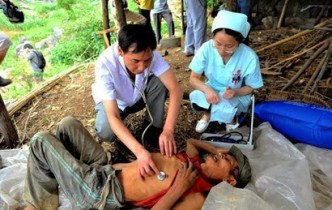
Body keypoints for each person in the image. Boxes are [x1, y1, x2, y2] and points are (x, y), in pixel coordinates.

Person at [23, 116, 251, 210]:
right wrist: (215, 148)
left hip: (99, 192)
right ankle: (62, 171)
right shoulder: (192, 164)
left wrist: (179, 187)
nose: (221, 156)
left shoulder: (197, 194)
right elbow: (192, 141)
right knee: (67, 124)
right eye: (224, 154)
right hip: (105, 167)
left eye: (227, 160)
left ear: (229, 179)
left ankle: (36, 206)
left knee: (41, 141)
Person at [91, 24, 183, 178]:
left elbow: (175, 89)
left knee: (160, 83)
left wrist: (168, 130)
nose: (141, 67)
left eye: (147, 60)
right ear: (120, 51)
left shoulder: (151, 54)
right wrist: (139, 151)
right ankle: (126, 139)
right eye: (135, 61)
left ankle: (152, 130)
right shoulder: (105, 64)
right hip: (116, 104)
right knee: (106, 131)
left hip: (139, 97)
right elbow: (113, 115)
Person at [189, 10, 263, 133]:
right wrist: (207, 90)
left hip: (236, 94)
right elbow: (193, 78)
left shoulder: (249, 56)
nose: (222, 51)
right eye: (218, 44)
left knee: (225, 103)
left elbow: (251, 87)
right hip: (212, 89)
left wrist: (235, 91)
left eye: (229, 46)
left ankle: (232, 120)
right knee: (197, 95)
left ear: (238, 41)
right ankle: (207, 115)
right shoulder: (206, 48)